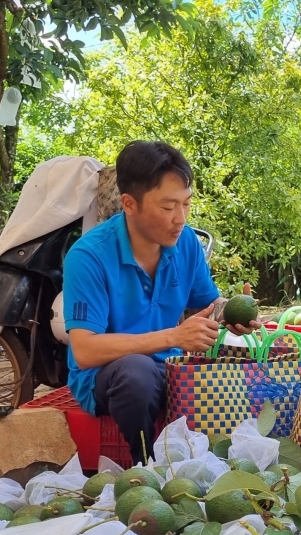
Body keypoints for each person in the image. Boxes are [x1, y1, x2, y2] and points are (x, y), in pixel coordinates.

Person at [63, 141, 260, 463]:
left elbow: (206, 304)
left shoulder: (186, 245)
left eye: (186, 204)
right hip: (107, 379)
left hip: (170, 368)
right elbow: (85, 351)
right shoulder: (89, 257)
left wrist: (233, 312)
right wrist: (172, 337)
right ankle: (145, 466)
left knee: (239, 377)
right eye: (168, 207)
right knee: (135, 371)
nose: (180, 219)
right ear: (129, 203)